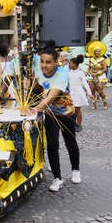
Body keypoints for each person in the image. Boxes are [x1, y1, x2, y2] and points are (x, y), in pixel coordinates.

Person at [24, 46, 81, 191]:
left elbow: (51, 97)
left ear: (56, 62)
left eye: (48, 62)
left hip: (66, 111)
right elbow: (32, 87)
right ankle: (57, 178)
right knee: (52, 144)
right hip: (49, 113)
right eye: (42, 61)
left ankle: (76, 170)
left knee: (70, 141)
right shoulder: (38, 69)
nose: (44, 65)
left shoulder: (62, 74)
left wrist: (35, 109)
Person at [67, 55, 92, 131]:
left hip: (78, 92)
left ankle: (79, 124)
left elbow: (85, 83)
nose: (69, 65)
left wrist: (89, 93)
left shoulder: (80, 73)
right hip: (70, 91)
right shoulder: (69, 72)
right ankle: (73, 124)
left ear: (75, 64)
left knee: (77, 109)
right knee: (71, 109)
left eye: (70, 63)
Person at [85, 40, 109, 109]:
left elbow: (105, 68)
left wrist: (98, 73)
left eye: (98, 51)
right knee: (92, 90)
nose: (97, 52)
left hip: (100, 76)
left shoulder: (102, 59)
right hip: (92, 76)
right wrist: (86, 72)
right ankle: (94, 104)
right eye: (96, 51)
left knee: (100, 90)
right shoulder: (91, 59)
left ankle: (105, 102)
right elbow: (89, 67)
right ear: (94, 52)